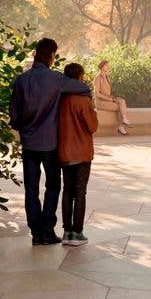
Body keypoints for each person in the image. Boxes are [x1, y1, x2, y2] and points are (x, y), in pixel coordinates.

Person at [9, 38, 91, 246]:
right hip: (50, 144)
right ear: (52, 55)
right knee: (53, 186)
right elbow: (83, 88)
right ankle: (47, 230)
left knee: (31, 188)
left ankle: (36, 232)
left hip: (29, 143)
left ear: (35, 54)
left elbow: (14, 117)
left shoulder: (20, 80)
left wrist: (25, 127)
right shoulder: (55, 79)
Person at [57, 63, 98, 247]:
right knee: (80, 190)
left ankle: (66, 232)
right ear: (80, 77)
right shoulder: (83, 100)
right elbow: (92, 126)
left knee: (67, 190)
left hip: (64, 151)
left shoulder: (59, 99)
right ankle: (78, 233)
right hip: (82, 152)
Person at [93, 60, 133, 135]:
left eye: (108, 65)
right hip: (101, 102)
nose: (108, 67)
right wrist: (108, 99)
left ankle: (124, 119)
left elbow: (108, 91)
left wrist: (112, 98)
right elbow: (97, 94)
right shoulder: (98, 78)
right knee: (120, 107)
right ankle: (121, 127)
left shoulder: (107, 77)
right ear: (102, 67)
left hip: (108, 99)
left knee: (122, 101)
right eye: (106, 65)